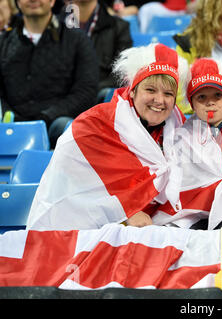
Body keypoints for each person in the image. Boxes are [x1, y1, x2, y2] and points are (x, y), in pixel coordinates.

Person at [26, 43, 189, 230]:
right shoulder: (93, 125)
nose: (159, 100)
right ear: (133, 90)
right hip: (96, 232)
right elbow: (74, 194)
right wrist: (126, 212)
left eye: (168, 94)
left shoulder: (181, 129)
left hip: (160, 229)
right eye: (150, 90)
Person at [153, 58, 222, 229]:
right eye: (201, 97)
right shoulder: (185, 133)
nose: (210, 102)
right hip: (192, 211)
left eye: (218, 95)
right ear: (192, 104)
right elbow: (180, 180)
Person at [0, 0, 98, 148]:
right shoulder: (3, 42)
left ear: (52, 1)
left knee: (69, 128)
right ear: (18, 2)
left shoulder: (78, 40)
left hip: (56, 125)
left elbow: (86, 91)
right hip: (10, 124)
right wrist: (9, 115)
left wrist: (46, 116)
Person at [61, 0, 133, 101]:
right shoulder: (51, 27)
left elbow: (123, 72)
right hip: (59, 101)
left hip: (97, 97)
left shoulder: (119, 27)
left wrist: (89, 90)